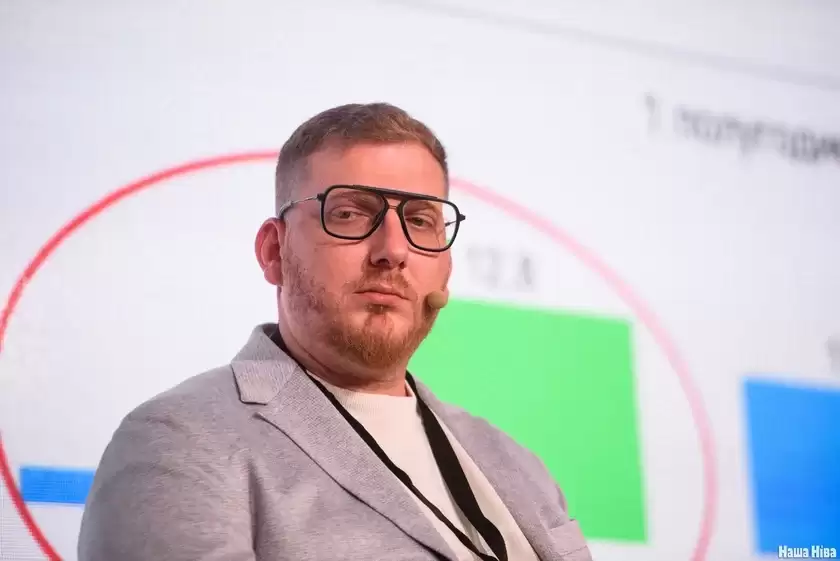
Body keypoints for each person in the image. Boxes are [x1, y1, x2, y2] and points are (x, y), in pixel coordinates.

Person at [77, 103, 592, 561]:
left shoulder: (518, 465)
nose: (394, 250)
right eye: (349, 214)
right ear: (274, 252)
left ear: (446, 267)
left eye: (420, 221)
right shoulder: (181, 439)